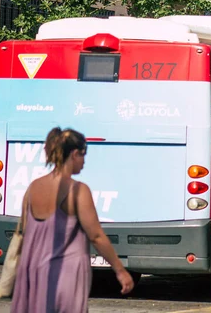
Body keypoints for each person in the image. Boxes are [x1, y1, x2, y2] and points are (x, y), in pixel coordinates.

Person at [11, 128, 133, 312]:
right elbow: (96, 236)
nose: (84, 161)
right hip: (65, 275)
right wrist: (120, 270)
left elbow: (26, 232)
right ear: (74, 154)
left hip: (34, 275)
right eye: (83, 155)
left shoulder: (33, 188)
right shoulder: (77, 190)